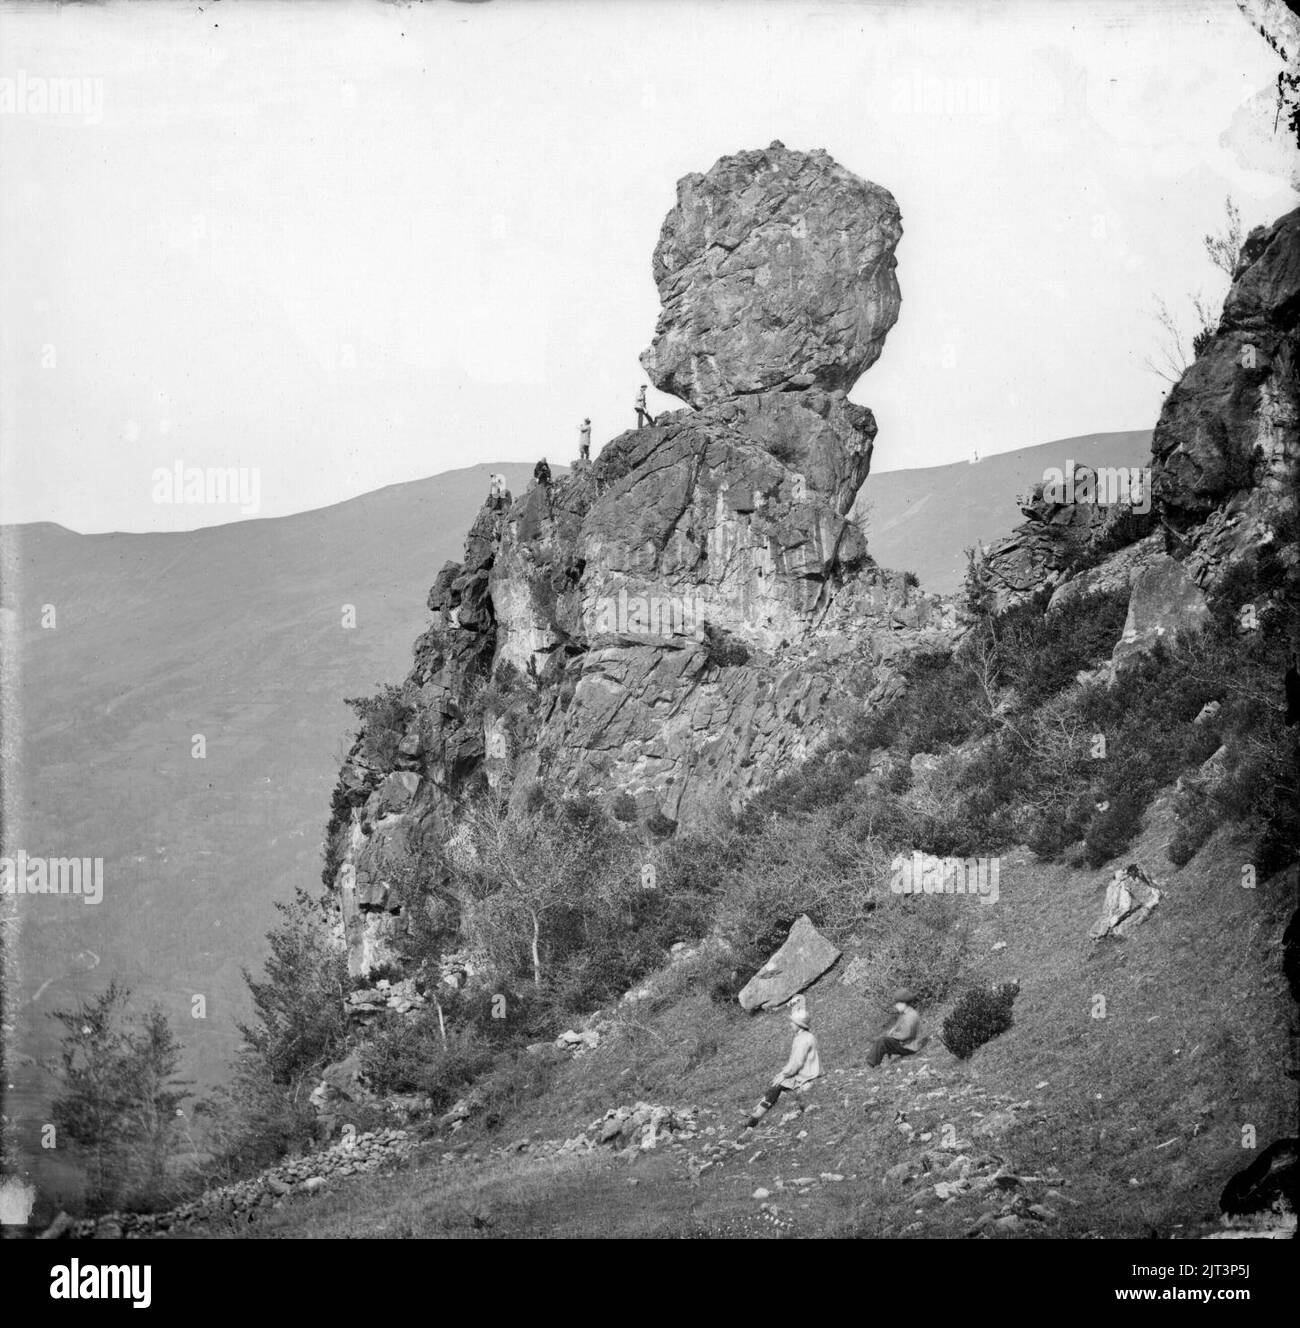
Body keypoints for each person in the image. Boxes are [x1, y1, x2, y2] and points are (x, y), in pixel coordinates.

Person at [745, 994, 821, 1128]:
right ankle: (756, 1110)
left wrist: (785, 1074)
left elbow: (797, 1063)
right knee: (777, 1082)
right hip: (805, 1069)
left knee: (777, 1086)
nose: (791, 1024)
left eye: (793, 1022)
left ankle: (757, 1115)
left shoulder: (803, 1039)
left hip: (807, 1072)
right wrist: (783, 1073)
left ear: (798, 1025)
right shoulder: (803, 1036)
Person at [866, 988, 925, 1068]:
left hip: (909, 1047)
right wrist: (891, 1034)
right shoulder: (905, 1013)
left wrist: (892, 1036)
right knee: (883, 1040)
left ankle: (872, 1064)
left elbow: (906, 1034)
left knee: (882, 1041)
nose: (896, 1006)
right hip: (906, 1044)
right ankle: (874, 1063)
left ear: (904, 1003)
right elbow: (897, 1028)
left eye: (897, 1003)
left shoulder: (911, 1016)